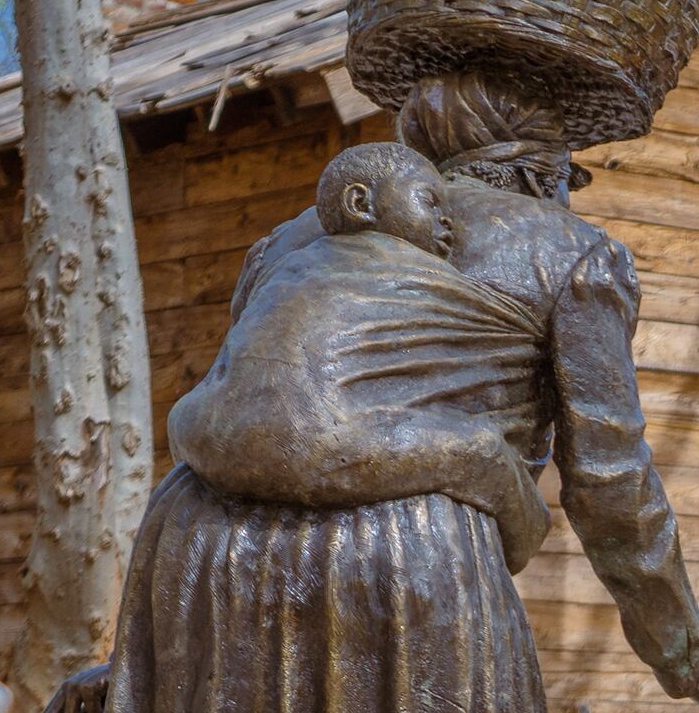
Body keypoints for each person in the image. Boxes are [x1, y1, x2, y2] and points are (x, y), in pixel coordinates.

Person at [46, 70, 699, 713]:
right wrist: (687, 658)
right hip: (405, 556)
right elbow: (611, 479)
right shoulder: (574, 252)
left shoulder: (288, 239)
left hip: (202, 546)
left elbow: (257, 402)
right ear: (545, 170)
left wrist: (146, 661)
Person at [165, 139, 556, 573]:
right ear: (360, 203)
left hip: (200, 434)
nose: (447, 220)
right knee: (483, 451)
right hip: (309, 444)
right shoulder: (414, 268)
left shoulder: (281, 264)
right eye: (428, 201)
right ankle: (524, 548)